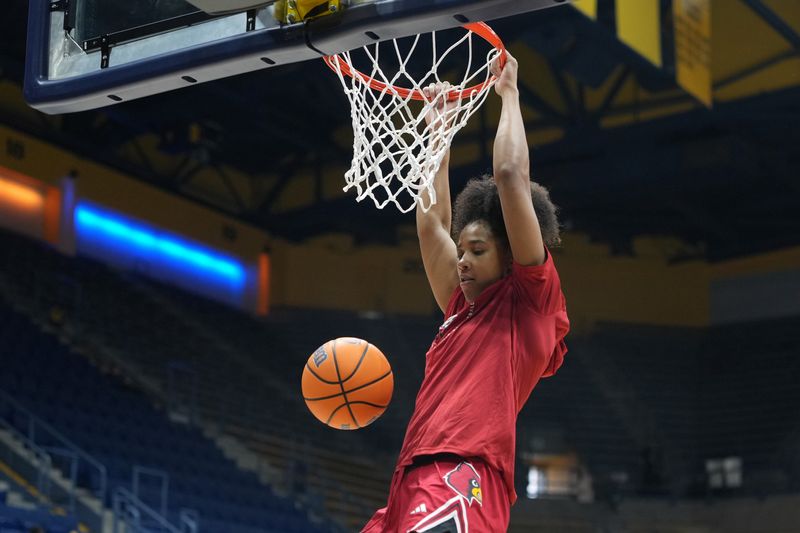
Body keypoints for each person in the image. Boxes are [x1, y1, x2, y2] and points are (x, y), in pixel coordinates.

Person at [362, 51, 570, 532]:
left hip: (462, 475)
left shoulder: (531, 301)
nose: (462, 260)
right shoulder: (460, 308)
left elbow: (511, 177)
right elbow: (431, 222)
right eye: (462, 249)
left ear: (510, 255)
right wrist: (439, 130)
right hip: (412, 479)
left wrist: (510, 94)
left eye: (477, 250)